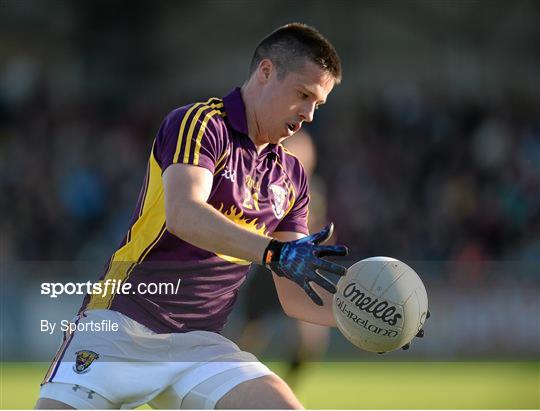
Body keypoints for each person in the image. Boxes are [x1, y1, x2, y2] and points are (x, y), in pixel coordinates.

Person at [36, 23, 348, 410]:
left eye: (318, 104)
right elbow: (184, 214)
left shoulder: (292, 176)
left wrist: (365, 318)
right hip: (121, 325)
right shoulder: (201, 123)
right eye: (303, 95)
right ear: (266, 72)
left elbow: (293, 298)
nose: (309, 114)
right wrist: (273, 253)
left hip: (201, 346)